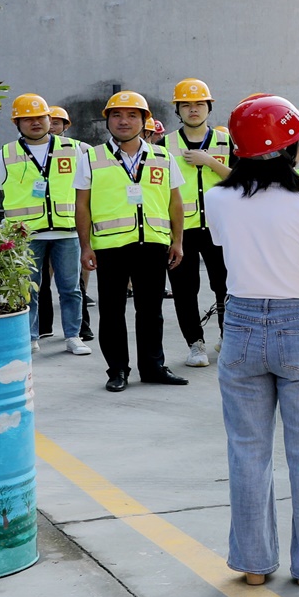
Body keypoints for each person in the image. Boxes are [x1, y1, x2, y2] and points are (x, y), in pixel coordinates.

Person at [204, 94, 299, 587]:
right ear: (293, 147)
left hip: (240, 323)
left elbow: (228, 246)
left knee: (247, 450)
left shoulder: (216, 198)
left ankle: (254, 564)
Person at [87, 90, 188, 392]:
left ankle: (153, 366)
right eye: (116, 115)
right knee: (112, 311)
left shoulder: (163, 157)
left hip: (153, 244)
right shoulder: (92, 157)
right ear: (107, 121)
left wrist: (178, 241)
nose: (124, 121)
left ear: (145, 121)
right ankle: (117, 370)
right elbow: (82, 204)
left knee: (151, 310)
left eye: (132, 115)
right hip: (110, 246)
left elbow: (175, 203)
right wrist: (85, 246)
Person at [0, 93, 92, 354]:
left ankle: (73, 336)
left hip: (67, 231)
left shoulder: (77, 149)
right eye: (27, 119)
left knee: (71, 289)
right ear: (17, 123)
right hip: (26, 235)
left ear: (50, 119)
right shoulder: (6, 153)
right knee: (28, 290)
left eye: (40, 117)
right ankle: (31, 337)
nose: (35, 123)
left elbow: (91, 190)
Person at [168, 79, 233, 368]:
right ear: (178, 110)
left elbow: (242, 179)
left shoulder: (227, 142)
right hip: (181, 230)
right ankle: (195, 344)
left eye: (199, 104)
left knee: (226, 285)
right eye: (186, 105)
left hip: (222, 227)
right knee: (184, 288)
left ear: (209, 107)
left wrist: (210, 162)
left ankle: (228, 338)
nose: (193, 109)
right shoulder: (164, 145)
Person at [37, 105, 93, 342]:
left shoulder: (78, 149)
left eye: (59, 122)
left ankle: (80, 330)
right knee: (40, 284)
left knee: (72, 285)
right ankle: (42, 327)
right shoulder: (16, 152)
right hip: (36, 228)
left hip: (67, 225)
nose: (56, 126)